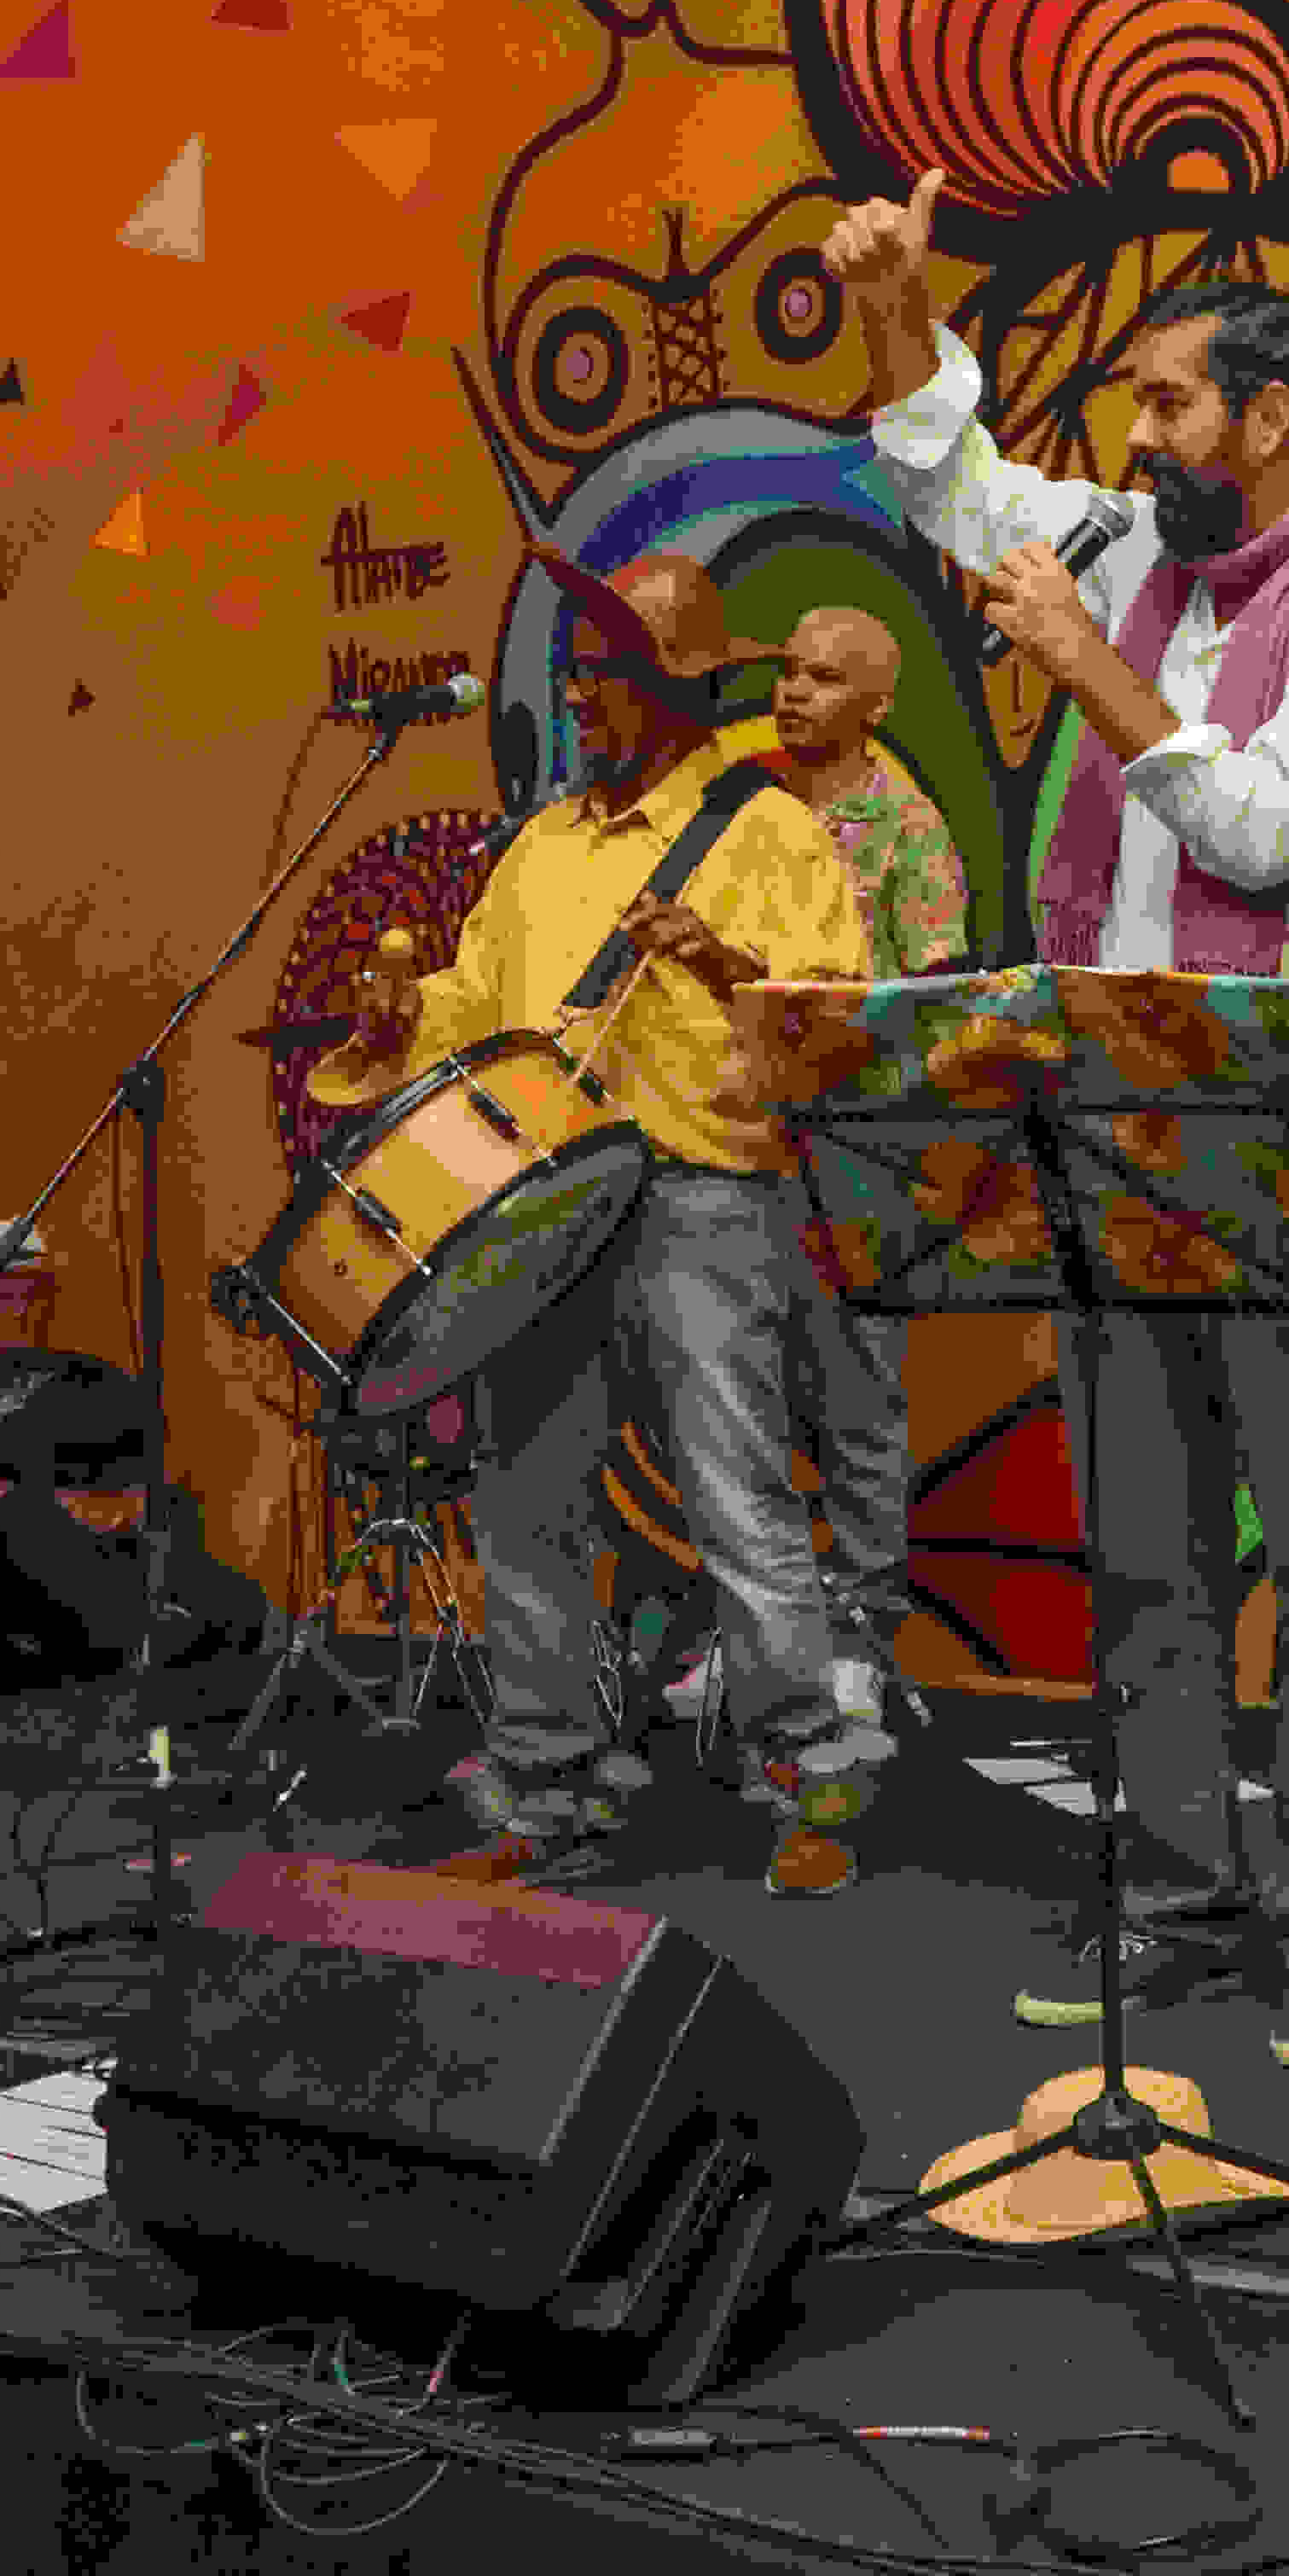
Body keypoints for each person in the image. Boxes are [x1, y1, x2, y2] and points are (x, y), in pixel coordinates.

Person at [833, 171, 1289, 2067]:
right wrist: (896, 307)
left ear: (1269, 419)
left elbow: (1267, 829)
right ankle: (1182, 1895)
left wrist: (1085, 667)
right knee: (1148, 1552)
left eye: (1166, 402)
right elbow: (955, 481)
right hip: (1120, 1103)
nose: (1128, 437)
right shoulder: (1136, 552)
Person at [316, 545, 883, 1894]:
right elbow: (475, 1004)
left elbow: (837, 1023)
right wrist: (399, 1017)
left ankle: (810, 1777)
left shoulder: (767, 830)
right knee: (527, 1492)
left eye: (602, 672)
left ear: (672, 687)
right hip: (552, 1192)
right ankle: (549, 1781)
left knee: (735, 1491)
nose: (577, 694)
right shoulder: (545, 844)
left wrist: (724, 960)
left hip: (701, 1190)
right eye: (571, 672)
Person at [681, 603, 969, 1742]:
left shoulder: (907, 829)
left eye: (825, 678)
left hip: (854, 1151)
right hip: (729, 1143)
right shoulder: (737, 801)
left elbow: (933, 1006)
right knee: (738, 1405)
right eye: (789, 671)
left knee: (856, 1406)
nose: (794, 692)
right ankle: (761, 1641)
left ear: (877, 704)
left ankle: (856, 1642)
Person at [0, 1220, 164, 1699]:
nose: (16, 1306)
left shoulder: (101, 1383)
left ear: (49, 1296)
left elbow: (135, 1500)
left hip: (96, 1588)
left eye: (28, 1290)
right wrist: (54, 1506)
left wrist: (105, 1511)